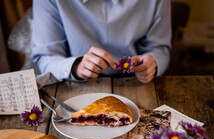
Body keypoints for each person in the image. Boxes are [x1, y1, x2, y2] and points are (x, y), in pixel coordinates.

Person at [31, 0, 171, 85]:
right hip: (75, 85)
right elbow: (45, 57)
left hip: (137, 82)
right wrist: (76, 67)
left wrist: (152, 65)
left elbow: (160, 48)